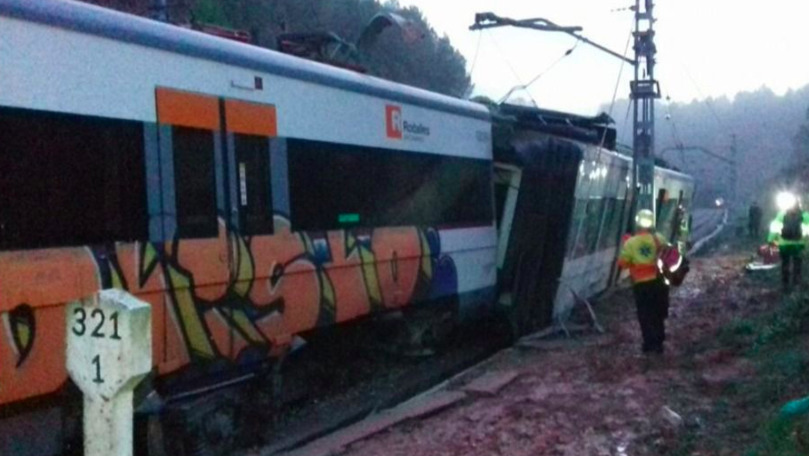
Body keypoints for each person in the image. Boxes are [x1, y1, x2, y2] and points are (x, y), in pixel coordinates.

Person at [618, 209, 671, 354]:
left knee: (644, 314)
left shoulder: (630, 242)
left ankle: (648, 344)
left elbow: (623, 264)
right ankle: (659, 343)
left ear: (637, 223)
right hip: (659, 283)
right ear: (652, 223)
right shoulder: (658, 238)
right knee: (657, 313)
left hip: (641, 285)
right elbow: (668, 255)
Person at [768, 195, 809, 292]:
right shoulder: (805, 216)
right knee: (797, 265)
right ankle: (796, 285)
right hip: (799, 244)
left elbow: (775, 229)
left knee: (785, 264)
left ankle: (785, 285)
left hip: (784, 244)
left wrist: (770, 240)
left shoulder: (781, 215)